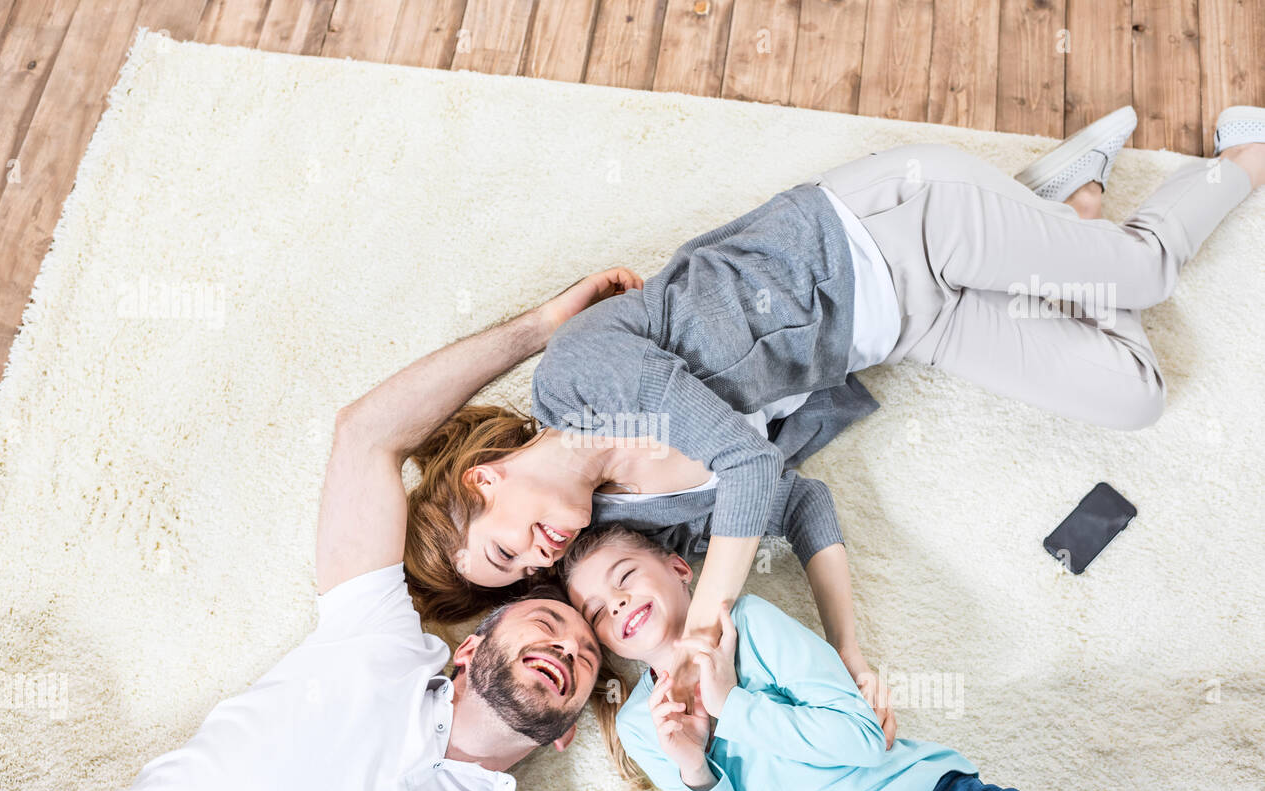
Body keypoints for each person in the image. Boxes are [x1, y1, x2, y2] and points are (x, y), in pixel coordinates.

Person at [399, 105, 1265, 730]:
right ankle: (1065, 205)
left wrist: (711, 615)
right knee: (1136, 392)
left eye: (506, 546)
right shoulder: (638, 522)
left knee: (1145, 276)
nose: (536, 558)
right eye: (518, 573)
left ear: (487, 477)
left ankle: (1243, 147)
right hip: (899, 327)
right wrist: (850, 651)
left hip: (888, 228)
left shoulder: (580, 377)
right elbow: (796, 501)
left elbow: (744, 462)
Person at [0, 281, 612, 791]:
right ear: (467, 648)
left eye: (584, 659)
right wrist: (541, 326)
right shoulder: (378, 645)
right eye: (550, 621)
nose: (565, 646)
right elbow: (365, 436)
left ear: (568, 730)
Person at [562, 524, 1183, 791]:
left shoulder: (748, 622)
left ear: (679, 569)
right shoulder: (646, 723)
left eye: (625, 577)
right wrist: (695, 766)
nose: (615, 603)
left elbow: (861, 740)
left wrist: (733, 706)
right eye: (596, 608)